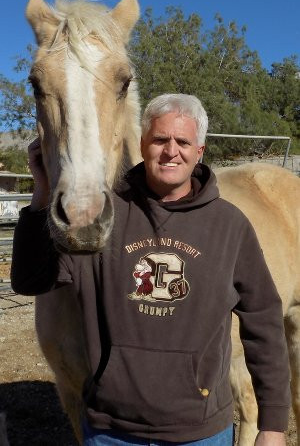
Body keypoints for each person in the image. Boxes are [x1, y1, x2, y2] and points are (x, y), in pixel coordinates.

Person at [11, 94, 290, 446]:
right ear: (143, 145)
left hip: (200, 433)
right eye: (160, 139)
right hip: (111, 431)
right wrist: (41, 192)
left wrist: (273, 424)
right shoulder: (102, 218)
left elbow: (264, 324)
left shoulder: (229, 226)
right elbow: (30, 279)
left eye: (183, 142)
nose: (171, 151)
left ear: (199, 151)